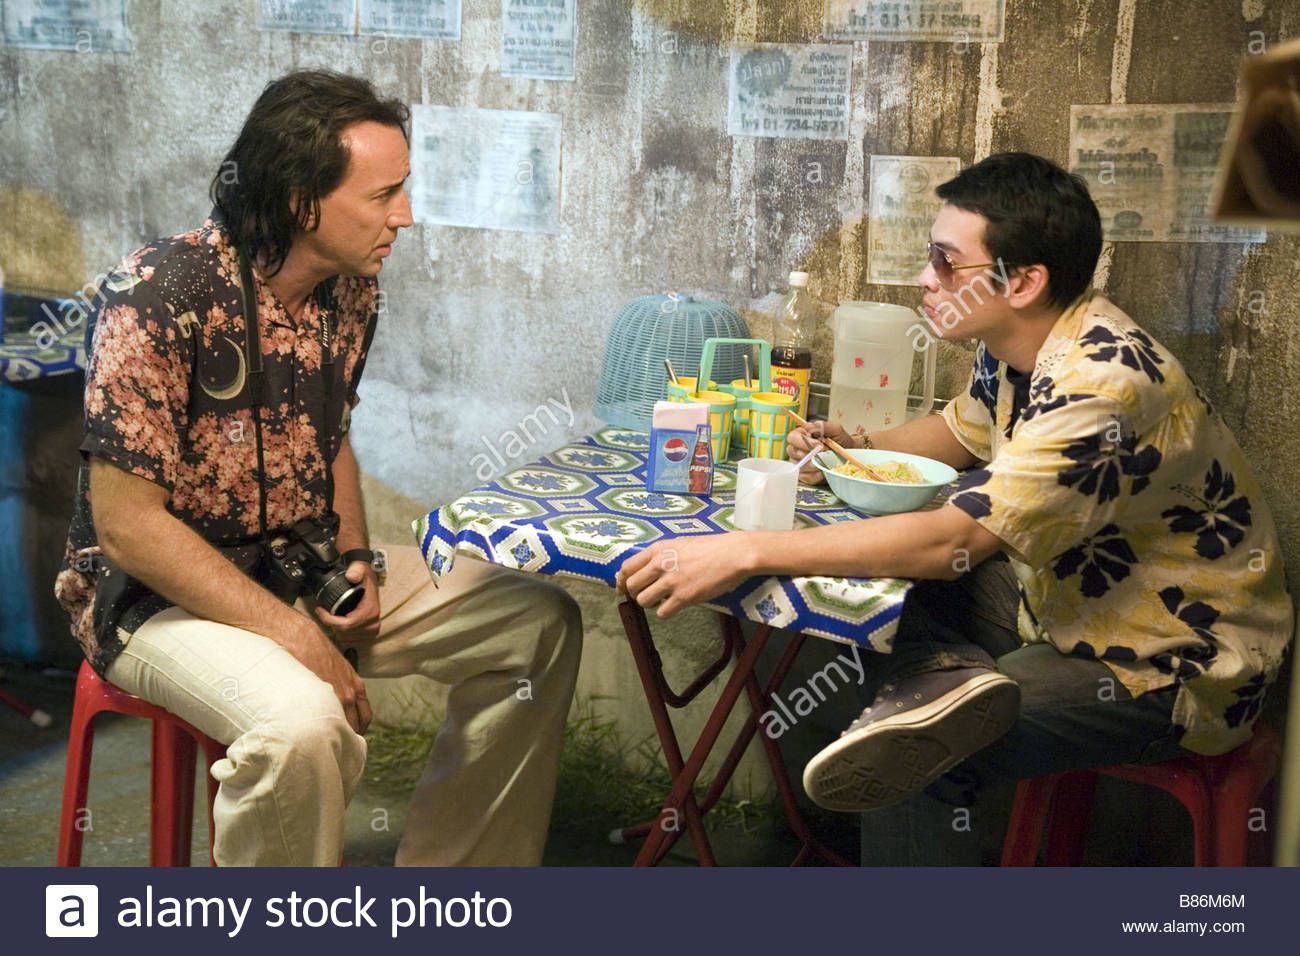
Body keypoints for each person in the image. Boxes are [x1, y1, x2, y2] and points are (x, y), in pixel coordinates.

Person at [618, 152, 1292, 826]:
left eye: (946, 262)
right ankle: (943, 677)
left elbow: (952, 541)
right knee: (861, 600)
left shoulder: (1103, 388)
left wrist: (742, 550)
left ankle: (932, 716)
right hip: (1056, 597)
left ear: (1022, 281)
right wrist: (855, 450)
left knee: (911, 747)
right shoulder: (1014, 344)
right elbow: (959, 431)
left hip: (1169, 659)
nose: (925, 278)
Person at [54, 71, 582, 867]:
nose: (405, 216)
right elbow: (128, 530)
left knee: (535, 623)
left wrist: (356, 558)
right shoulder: (159, 296)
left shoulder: (350, 291)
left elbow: (329, 438)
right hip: (152, 600)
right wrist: (293, 634)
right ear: (302, 203)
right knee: (301, 728)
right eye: (384, 195)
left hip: (294, 566)